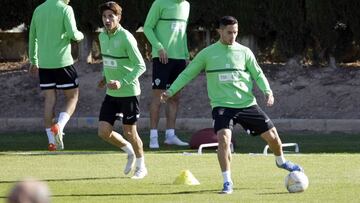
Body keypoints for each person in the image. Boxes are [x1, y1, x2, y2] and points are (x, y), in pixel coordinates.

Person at [161, 16, 304, 194]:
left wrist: (268, 91)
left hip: (246, 104)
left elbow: (258, 74)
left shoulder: (244, 52)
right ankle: (227, 182)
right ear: (219, 31)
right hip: (222, 106)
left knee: (273, 137)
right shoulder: (207, 53)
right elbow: (187, 74)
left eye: (235, 32)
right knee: (224, 140)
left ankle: (281, 161)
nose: (233, 36)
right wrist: (171, 90)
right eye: (229, 32)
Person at [97, 1, 147, 179]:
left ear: (118, 17)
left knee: (130, 131)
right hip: (111, 94)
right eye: (104, 16)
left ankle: (141, 166)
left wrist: (122, 82)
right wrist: (104, 77)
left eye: (111, 16)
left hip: (129, 93)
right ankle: (130, 151)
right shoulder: (102, 36)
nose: (107, 20)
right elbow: (109, 61)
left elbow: (141, 66)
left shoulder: (126, 37)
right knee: (103, 131)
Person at [29, 0, 84, 151]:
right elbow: (74, 34)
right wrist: (80, 35)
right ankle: (59, 126)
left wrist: (34, 60)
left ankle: (52, 142)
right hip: (63, 63)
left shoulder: (38, 9)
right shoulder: (66, 9)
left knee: (49, 99)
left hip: (45, 65)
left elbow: (32, 36)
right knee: (73, 97)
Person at [143, 0, 190, 148]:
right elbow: (147, 28)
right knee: (158, 97)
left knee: (175, 97)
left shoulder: (186, 5)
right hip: (162, 58)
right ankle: (153, 137)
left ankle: (170, 136)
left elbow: (183, 32)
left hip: (180, 59)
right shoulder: (159, 3)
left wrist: (186, 53)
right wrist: (159, 47)